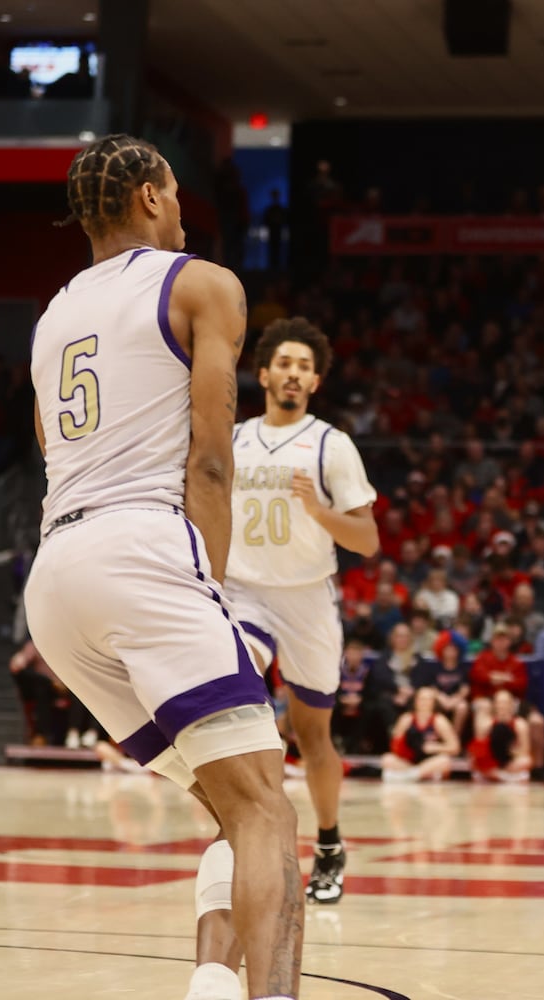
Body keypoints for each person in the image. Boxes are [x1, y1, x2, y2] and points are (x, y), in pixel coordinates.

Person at [23, 134, 302, 1000]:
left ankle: (211, 986)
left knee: (228, 804)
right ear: (148, 196)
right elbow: (211, 460)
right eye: (176, 193)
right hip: (143, 552)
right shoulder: (200, 283)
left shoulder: (51, 316)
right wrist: (209, 591)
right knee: (268, 809)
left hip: (56, 575)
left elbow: (49, 449)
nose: (185, 209)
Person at [227, 316, 379, 905]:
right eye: (284, 363)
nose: (293, 373)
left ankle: (331, 842)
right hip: (243, 593)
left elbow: (365, 539)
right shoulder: (234, 438)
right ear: (263, 373)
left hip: (308, 598)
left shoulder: (330, 444)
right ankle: (246, 831)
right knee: (236, 693)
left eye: (305, 367)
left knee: (315, 738)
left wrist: (319, 511)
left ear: (315, 382)